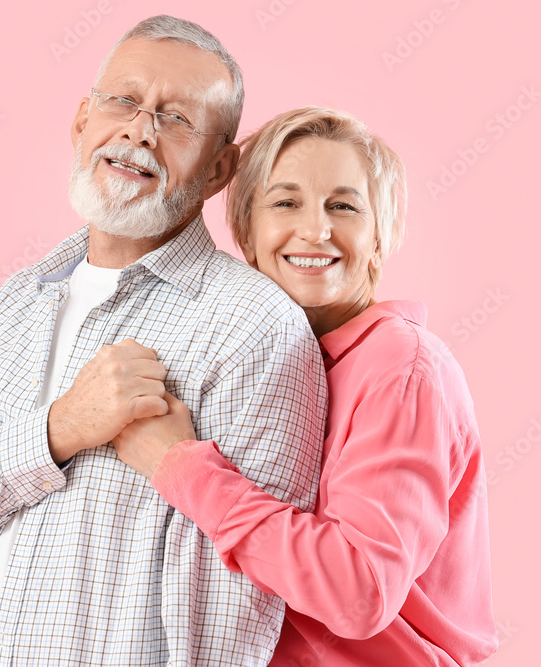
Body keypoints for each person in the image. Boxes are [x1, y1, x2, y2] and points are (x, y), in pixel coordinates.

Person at [0, 17, 327, 667]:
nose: (140, 130)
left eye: (176, 120)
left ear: (220, 169)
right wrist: (58, 429)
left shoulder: (254, 327)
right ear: (82, 120)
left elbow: (235, 617)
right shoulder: (15, 304)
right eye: (123, 101)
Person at [113, 107, 498, 666]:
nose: (315, 230)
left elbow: (359, 589)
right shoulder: (274, 359)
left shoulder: (401, 370)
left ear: (380, 235)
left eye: (343, 206)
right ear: (245, 230)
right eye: (286, 202)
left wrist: (181, 466)